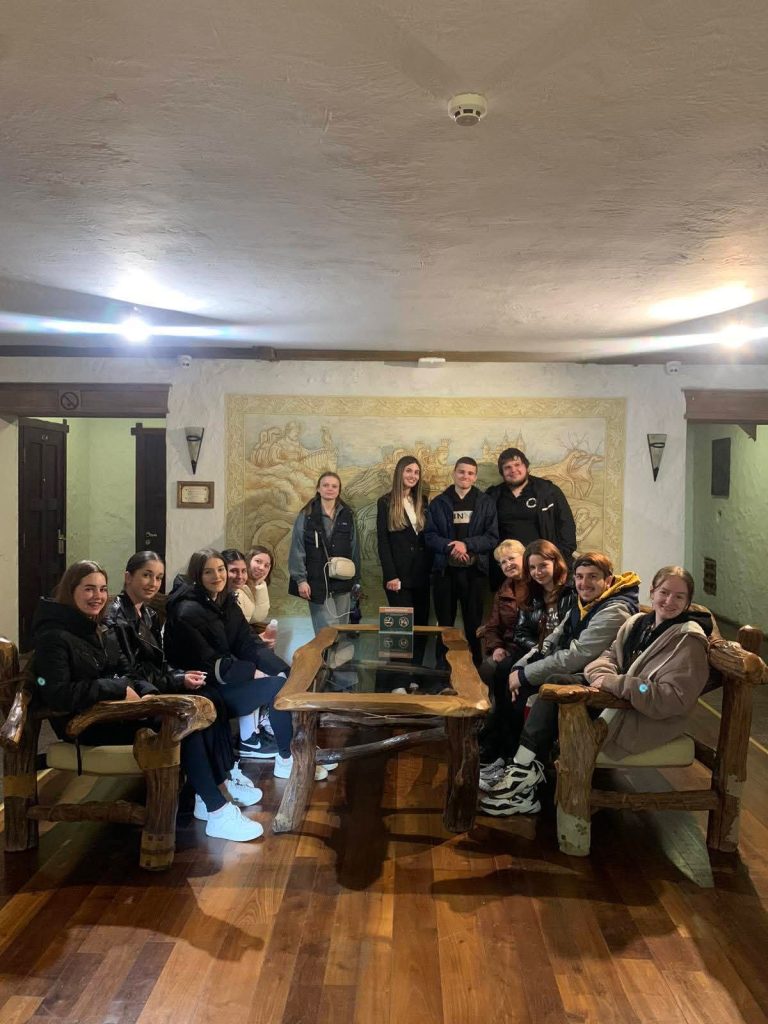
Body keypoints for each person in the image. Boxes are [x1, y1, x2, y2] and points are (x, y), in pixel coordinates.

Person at [33, 560, 263, 842]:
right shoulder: (54, 636)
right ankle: (217, 812)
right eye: (89, 589)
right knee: (180, 727)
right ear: (71, 590)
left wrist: (149, 694)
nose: (98, 596)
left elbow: (127, 671)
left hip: (116, 711)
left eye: (102, 589)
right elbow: (57, 694)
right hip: (85, 724)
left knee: (193, 716)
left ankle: (211, 797)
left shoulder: (97, 627)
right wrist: (116, 688)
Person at [479, 552, 640, 815]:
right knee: (509, 678)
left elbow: (577, 655)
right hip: (571, 671)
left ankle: (520, 775)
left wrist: (524, 675)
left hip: (591, 681)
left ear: (608, 580)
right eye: (580, 577)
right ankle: (511, 765)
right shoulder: (585, 602)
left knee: (536, 688)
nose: (584, 583)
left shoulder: (615, 609)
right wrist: (521, 668)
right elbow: (553, 638)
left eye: (593, 577)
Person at [164, 548, 328, 779]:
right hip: (205, 690)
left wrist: (283, 670)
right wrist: (254, 673)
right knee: (277, 687)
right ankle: (287, 757)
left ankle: (299, 747)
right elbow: (211, 665)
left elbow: (247, 643)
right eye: (208, 572)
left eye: (220, 569)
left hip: (226, 679)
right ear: (197, 575)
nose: (217, 576)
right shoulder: (187, 611)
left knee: (286, 681)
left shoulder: (224, 602)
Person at [584, 566, 712, 761]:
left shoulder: (688, 642)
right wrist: (603, 676)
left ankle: (547, 767)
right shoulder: (638, 624)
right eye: (664, 592)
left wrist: (617, 684)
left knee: (563, 701)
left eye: (679, 597)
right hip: (616, 701)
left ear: (687, 602)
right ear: (652, 592)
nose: (669, 601)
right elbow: (609, 656)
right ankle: (538, 764)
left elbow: (671, 698)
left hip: (640, 720)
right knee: (558, 683)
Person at [424, 456, 499, 664]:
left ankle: (475, 668)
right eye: (461, 471)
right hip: (444, 573)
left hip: (474, 573)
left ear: (475, 477)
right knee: (445, 625)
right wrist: (452, 547)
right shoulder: (438, 503)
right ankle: (442, 668)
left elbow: (492, 537)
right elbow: (429, 536)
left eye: (470, 473)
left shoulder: (486, 503)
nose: (465, 476)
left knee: (473, 623)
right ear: (454, 473)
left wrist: (466, 544)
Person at [486, 447, 577, 586]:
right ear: (502, 472)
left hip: (543, 567)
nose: (513, 470)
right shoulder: (493, 496)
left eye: (517, 465)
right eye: (507, 467)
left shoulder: (548, 491)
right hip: (510, 571)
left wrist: (558, 558)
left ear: (526, 466)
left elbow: (567, 525)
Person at [288, 471, 361, 633]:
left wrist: (356, 581)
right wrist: (301, 580)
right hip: (316, 581)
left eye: (334, 486)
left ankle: (339, 652)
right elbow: (297, 548)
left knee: (342, 628)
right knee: (327, 631)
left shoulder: (348, 514)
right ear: (318, 489)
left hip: (343, 580)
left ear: (339, 490)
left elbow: (355, 548)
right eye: (326, 485)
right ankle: (326, 652)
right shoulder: (306, 515)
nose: (330, 489)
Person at [376, 454, 431, 625]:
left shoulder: (422, 501)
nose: (413, 475)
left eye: (416, 472)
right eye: (408, 471)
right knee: (402, 629)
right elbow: (383, 542)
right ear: (400, 472)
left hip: (421, 575)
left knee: (421, 626)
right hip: (398, 577)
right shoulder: (385, 502)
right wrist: (391, 575)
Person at [477, 539, 527, 686]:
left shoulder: (537, 584)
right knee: (486, 670)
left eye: (511, 558)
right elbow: (493, 626)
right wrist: (497, 647)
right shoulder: (503, 591)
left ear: (524, 557)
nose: (508, 564)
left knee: (504, 670)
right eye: (503, 562)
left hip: (529, 649)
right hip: (508, 647)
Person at [221, 548, 275, 643]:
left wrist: (259, 584)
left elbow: (257, 618)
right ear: (247, 561)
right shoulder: (235, 586)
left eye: (266, 566)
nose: (262, 568)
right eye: (258, 561)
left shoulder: (252, 585)